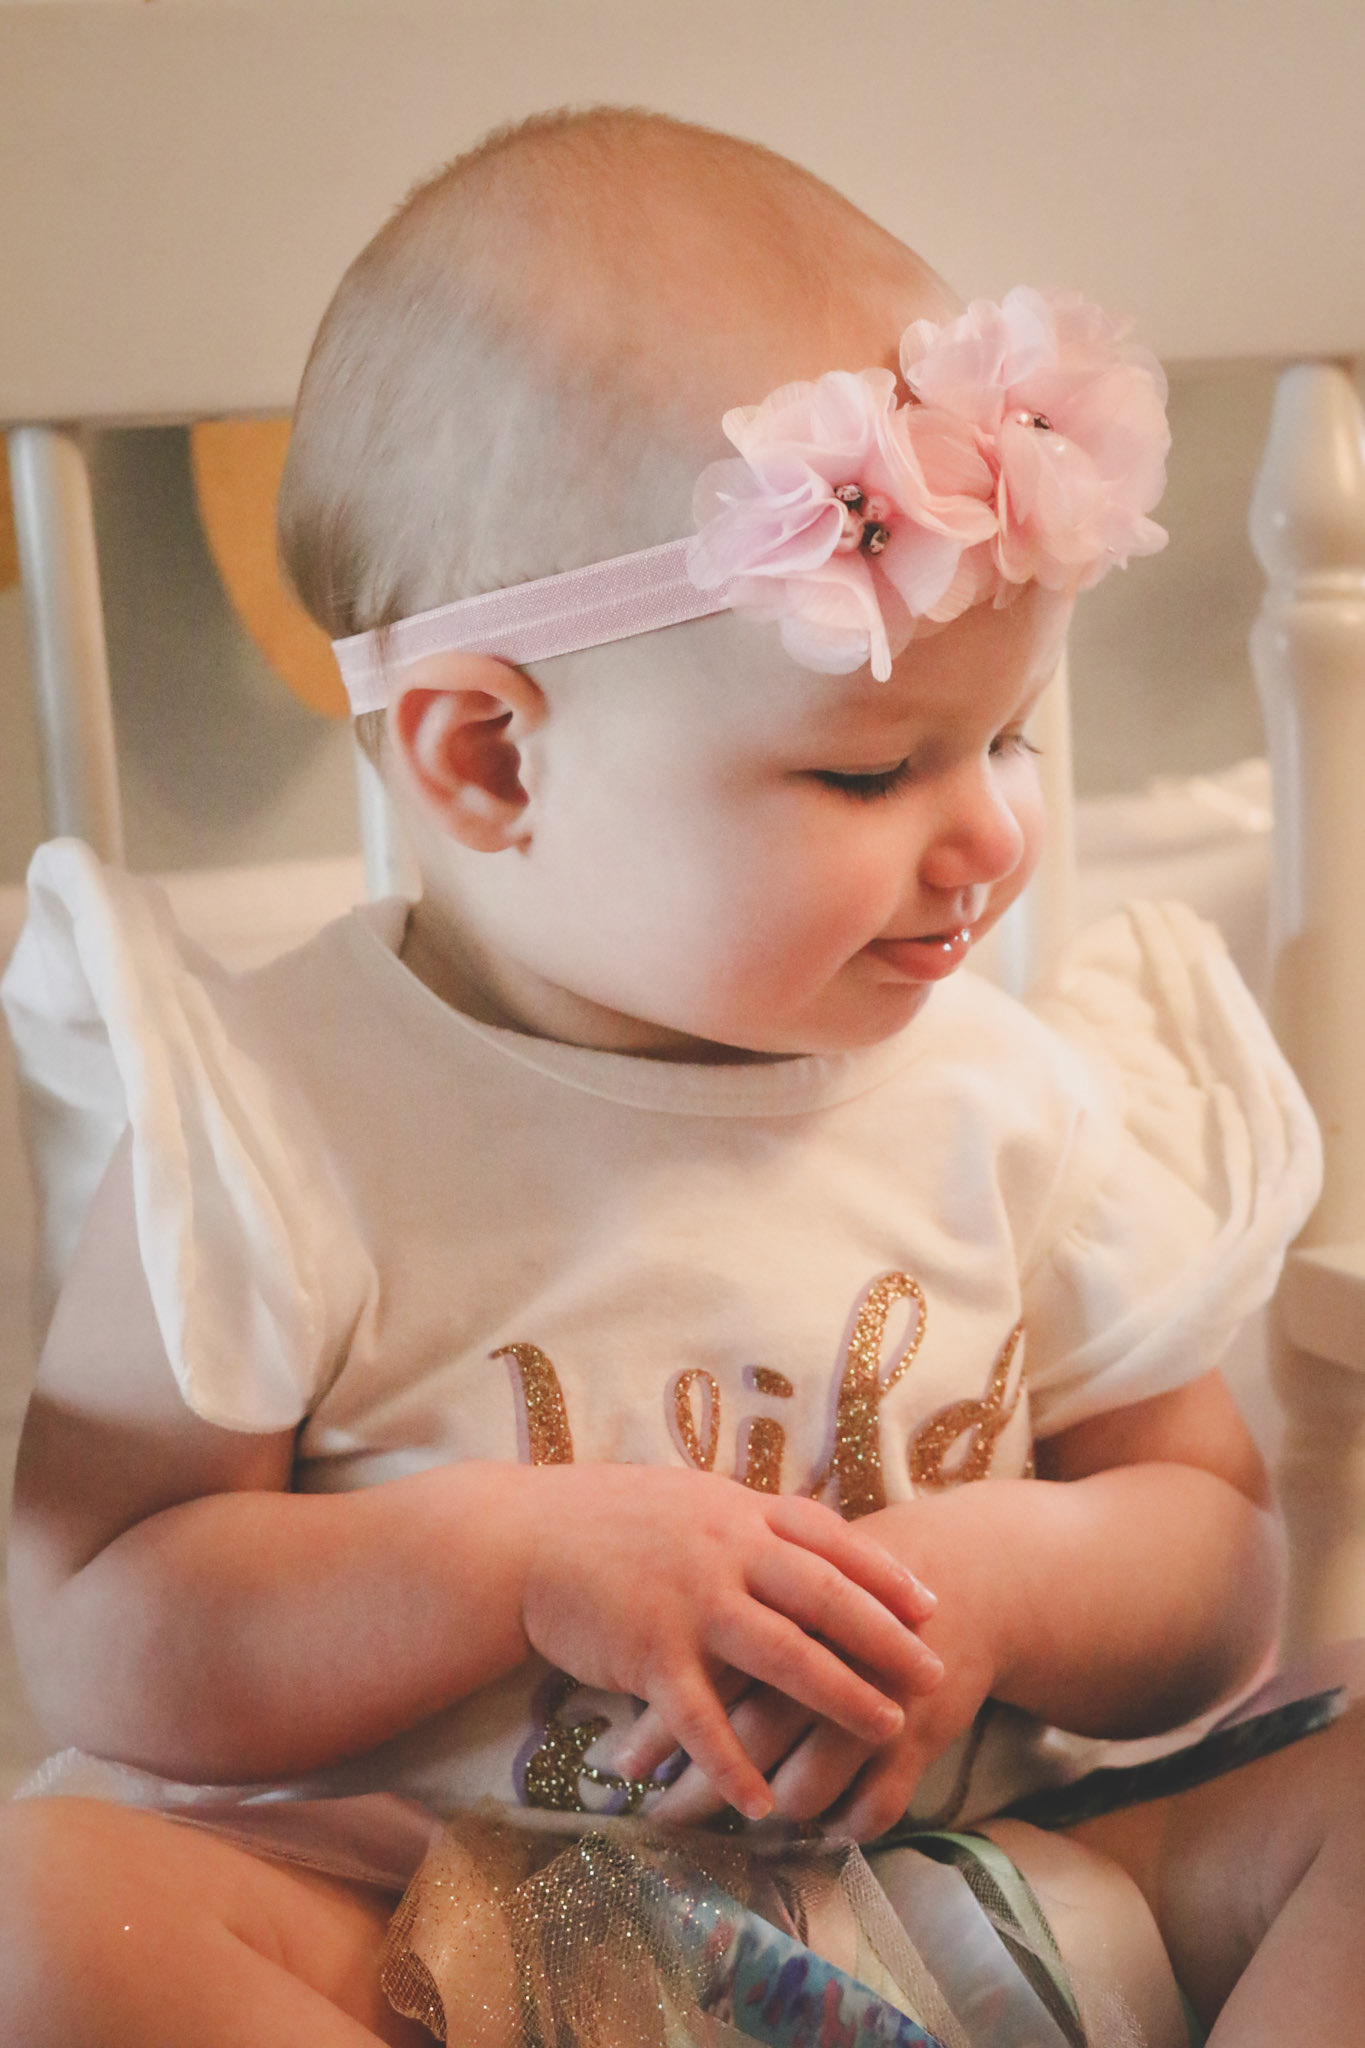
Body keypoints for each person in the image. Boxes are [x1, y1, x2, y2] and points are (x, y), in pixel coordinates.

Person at [0, 106, 1360, 2048]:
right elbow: (101, 1619)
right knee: (46, 1923)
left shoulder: (1012, 1102)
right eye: (868, 770)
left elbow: (1208, 1553)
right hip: (443, 1942)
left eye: (1008, 739)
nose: (989, 834)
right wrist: (512, 1564)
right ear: (488, 759)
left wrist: (1000, 1586)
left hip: (977, 1898)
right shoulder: (279, 1125)